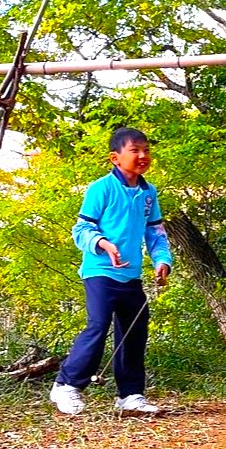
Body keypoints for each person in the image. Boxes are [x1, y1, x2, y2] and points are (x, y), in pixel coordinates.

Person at [50, 127, 172, 416]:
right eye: (135, 150)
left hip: (131, 275)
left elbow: (155, 233)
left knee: (135, 333)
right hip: (100, 270)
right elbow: (81, 229)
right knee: (98, 324)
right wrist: (103, 244)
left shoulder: (148, 192)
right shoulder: (100, 189)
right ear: (115, 158)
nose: (143, 156)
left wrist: (162, 260)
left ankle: (130, 395)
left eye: (146, 150)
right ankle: (66, 386)